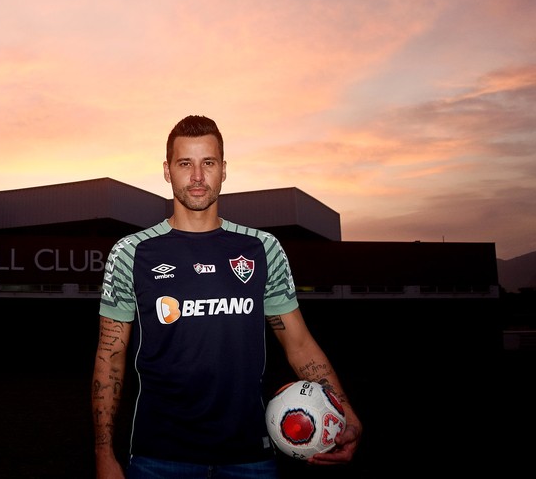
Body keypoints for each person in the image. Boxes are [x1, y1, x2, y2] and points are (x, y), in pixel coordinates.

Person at [91, 115, 362, 478]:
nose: (198, 177)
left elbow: (298, 343)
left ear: (224, 169)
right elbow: (110, 357)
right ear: (167, 171)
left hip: (249, 454)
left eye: (209, 163)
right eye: (185, 163)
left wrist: (345, 411)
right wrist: (103, 454)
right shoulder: (131, 253)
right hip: (159, 454)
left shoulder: (263, 249)